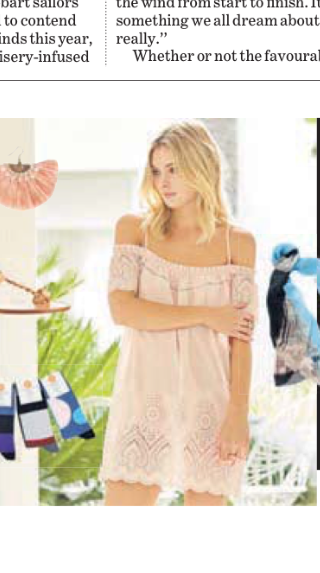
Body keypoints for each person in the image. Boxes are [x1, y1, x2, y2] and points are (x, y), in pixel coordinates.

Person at [103, 122, 257, 506]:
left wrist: (238, 413)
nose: (163, 181)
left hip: (211, 403)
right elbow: (124, 310)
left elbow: (241, 339)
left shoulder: (236, 243)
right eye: (156, 171)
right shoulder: (133, 230)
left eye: (174, 169)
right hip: (142, 398)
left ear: (202, 167)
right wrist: (206, 314)